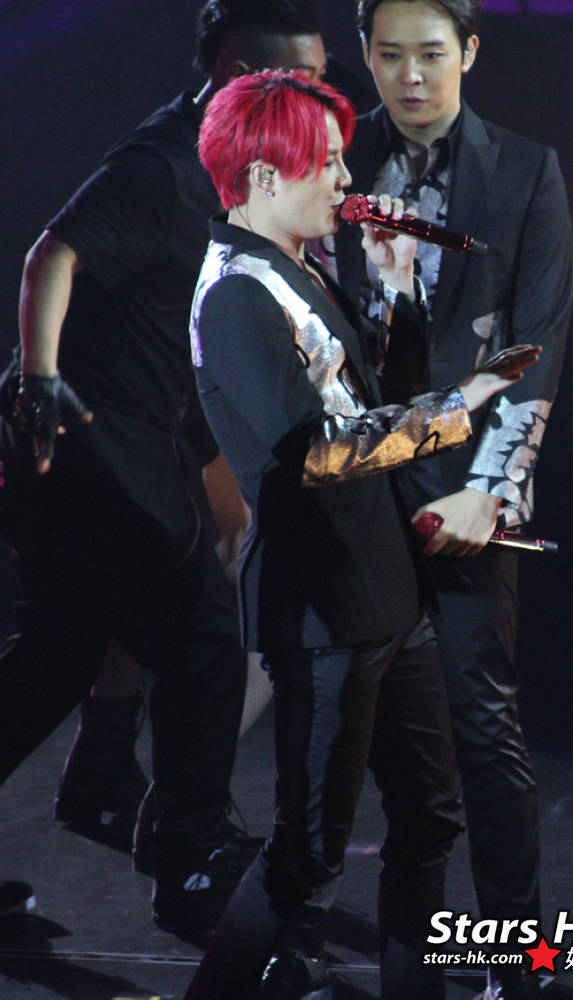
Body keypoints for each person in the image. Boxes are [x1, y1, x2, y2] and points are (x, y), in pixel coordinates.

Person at [181, 69, 540, 1000]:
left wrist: (398, 286)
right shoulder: (234, 295)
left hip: (384, 588)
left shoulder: (298, 266)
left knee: (429, 817)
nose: (347, 182)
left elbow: (372, 396)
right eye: (329, 163)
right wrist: (463, 403)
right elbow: (319, 452)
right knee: (307, 852)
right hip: (321, 606)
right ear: (264, 175)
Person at [0, 0, 328, 934]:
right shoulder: (164, 164)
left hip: (149, 429)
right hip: (91, 436)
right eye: (293, 80)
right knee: (204, 641)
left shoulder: (238, 163)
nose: (311, 97)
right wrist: (40, 378)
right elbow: (53, 255)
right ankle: (188, 857)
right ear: (234, 74)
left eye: (317, 79)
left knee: (61, 652)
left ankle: (111, 783)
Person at [322, 3, 573, 997]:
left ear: (469, 51)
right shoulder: (333, 155)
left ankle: (519, 955)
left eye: (431, 53)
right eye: (389, 55)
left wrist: (492, 493)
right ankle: (365, 952)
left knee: (481, 720)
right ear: (365, 55)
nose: (411, 76)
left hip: (466, 488)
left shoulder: (524, 169)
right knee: (339, 725)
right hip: (350, 480)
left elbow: (537, 340)